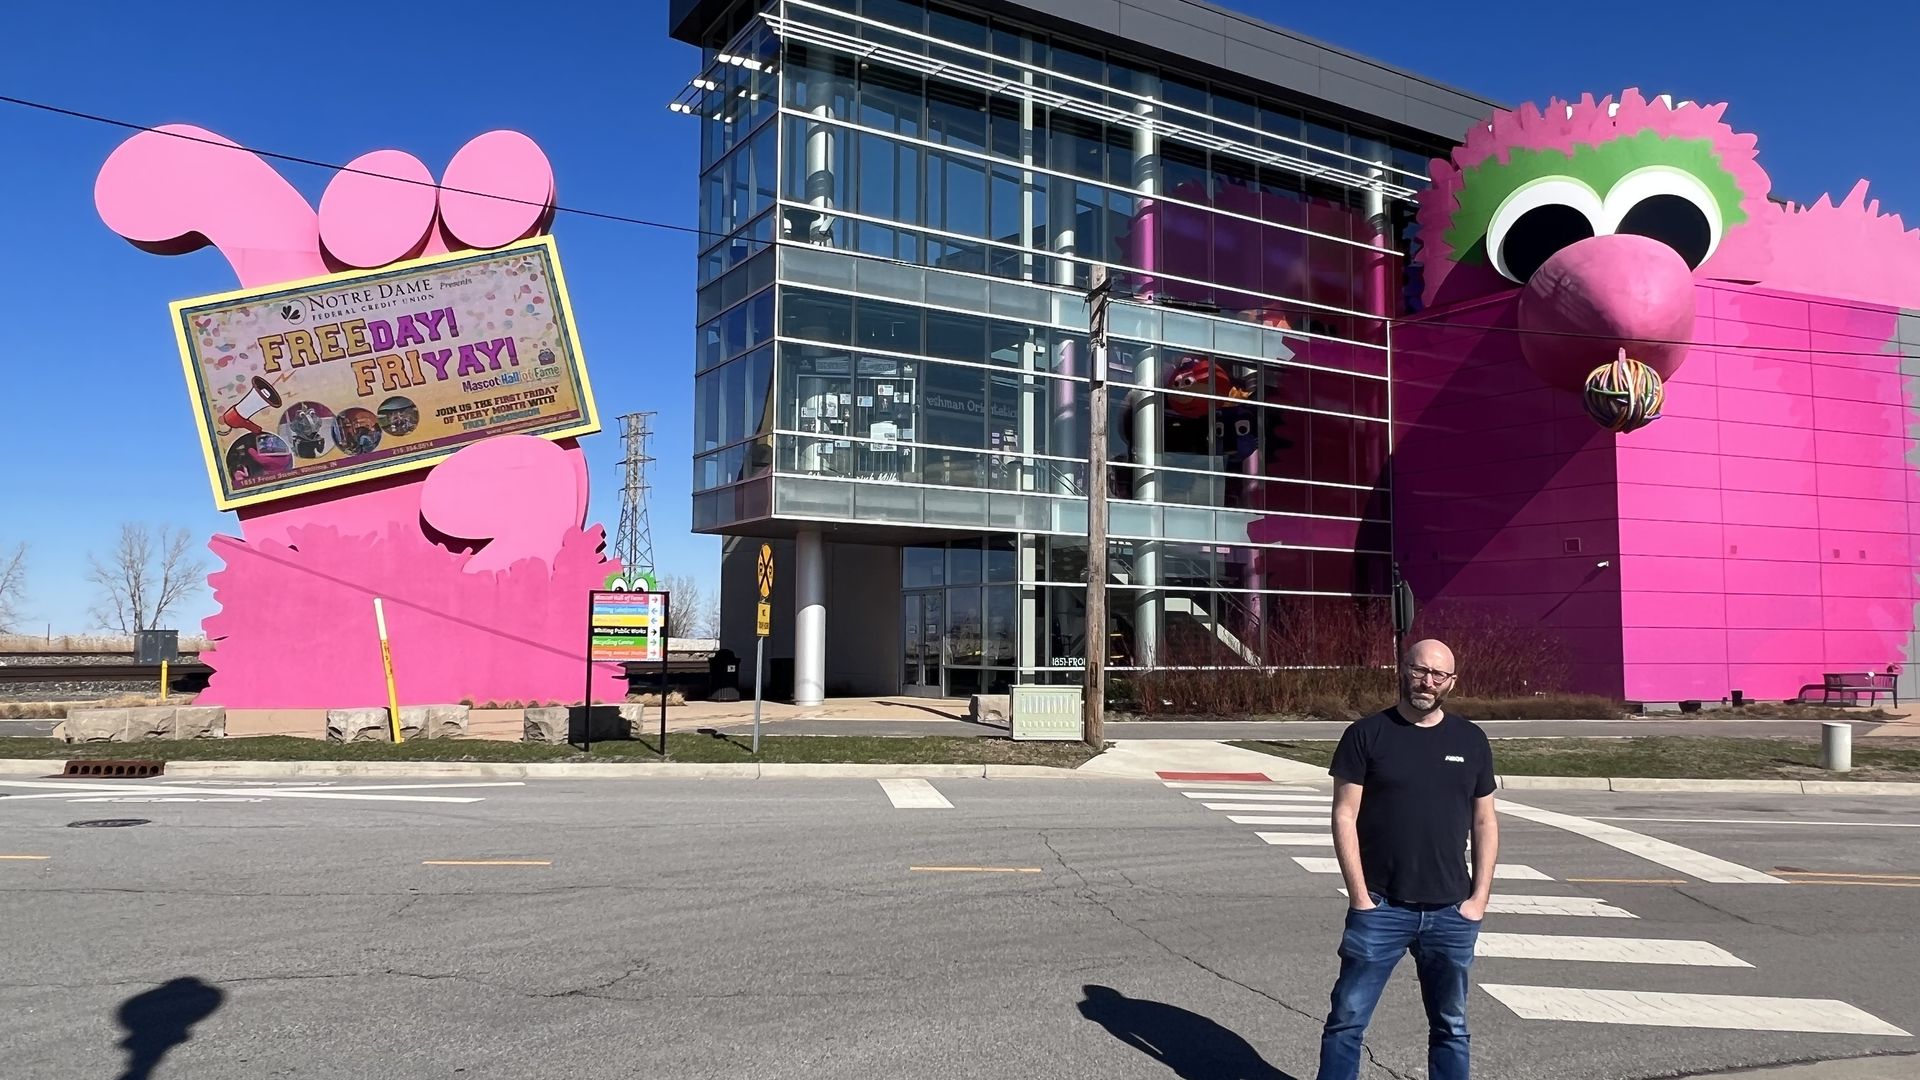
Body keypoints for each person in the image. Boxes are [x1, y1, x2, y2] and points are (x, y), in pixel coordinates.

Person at [1315, 638, 1498, 1080]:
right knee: (1347, 1021)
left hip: (1451, 910)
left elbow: (1486, 822)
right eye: (1420, 671)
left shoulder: (1470, 740)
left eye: (1438, 675)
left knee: (1451, 1026)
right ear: (1402, 669)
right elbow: (1344, 815)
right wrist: (1360, 896)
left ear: (1451, 682)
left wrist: (1479, 901)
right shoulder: (1366, 735)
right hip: (1381, 908)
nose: (1427, 682)